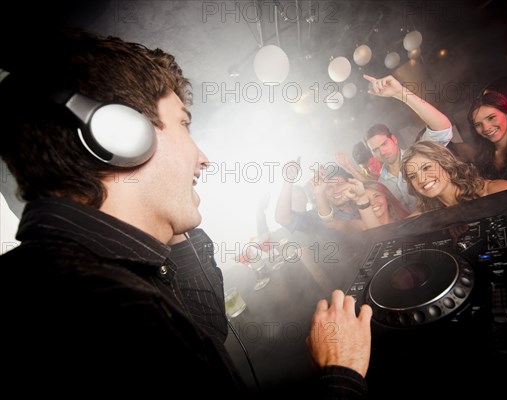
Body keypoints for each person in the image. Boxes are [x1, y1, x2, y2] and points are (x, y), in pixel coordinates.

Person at [0, 29, 372, 395]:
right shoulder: (117, 313)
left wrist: (165, 214)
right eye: (183, 123)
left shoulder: (102, 272)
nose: (204, 159)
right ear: (121, 134)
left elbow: (209, 328)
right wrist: (340, 373)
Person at [363, 74, 454, 213]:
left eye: (384, 144)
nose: (381, 152)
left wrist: (400, 93)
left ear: (394, 139)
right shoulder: (381, 184)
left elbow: (443, 128)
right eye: (375, 150)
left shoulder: (420, 154)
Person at [401, 141, 507, 216]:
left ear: (445, 162)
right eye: (412, 176)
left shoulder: (496, 191)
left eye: (426, 167)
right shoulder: (422, 217)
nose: (421, 180)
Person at [343, 179, 409, 228]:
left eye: (377, 196)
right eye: (367, 199)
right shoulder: (360, 229)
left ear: (386, 198)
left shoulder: (405, 221)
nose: (373, 202)